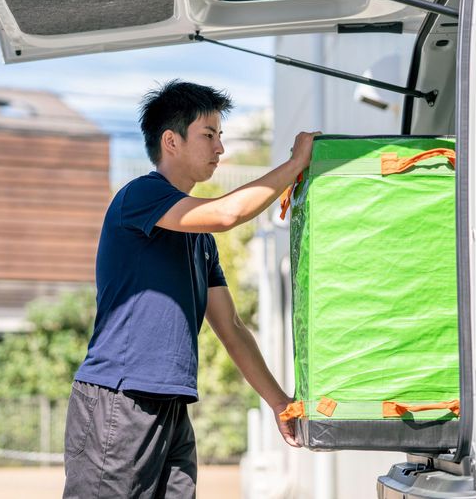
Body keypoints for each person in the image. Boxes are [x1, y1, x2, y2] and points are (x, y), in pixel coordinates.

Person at [63, 80, 319, 499]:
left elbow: (231, 326)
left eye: (221, 136)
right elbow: (227, 214)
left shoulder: (201, 240)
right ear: (171, 141)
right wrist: (295, 165)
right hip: (120, 400)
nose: (220, 148)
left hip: (171, 405)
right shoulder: (140, 195)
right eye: (209, 135)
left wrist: (279, 402)